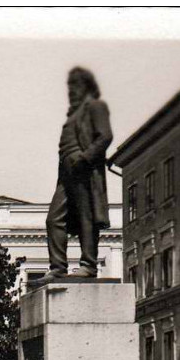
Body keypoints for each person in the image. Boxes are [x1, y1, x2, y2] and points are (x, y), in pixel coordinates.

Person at [40, 67, 113, 283]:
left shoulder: (96, 107)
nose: (71, 90)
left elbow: (105, 136)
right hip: (66, 173)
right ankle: (58, 267)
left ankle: (89, 265)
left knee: (86, 218)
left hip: (84, 169)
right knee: (54, 219)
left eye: (75, 85)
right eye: (69, 86)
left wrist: (85, 157)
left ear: (87, 85)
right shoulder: (73, 114)